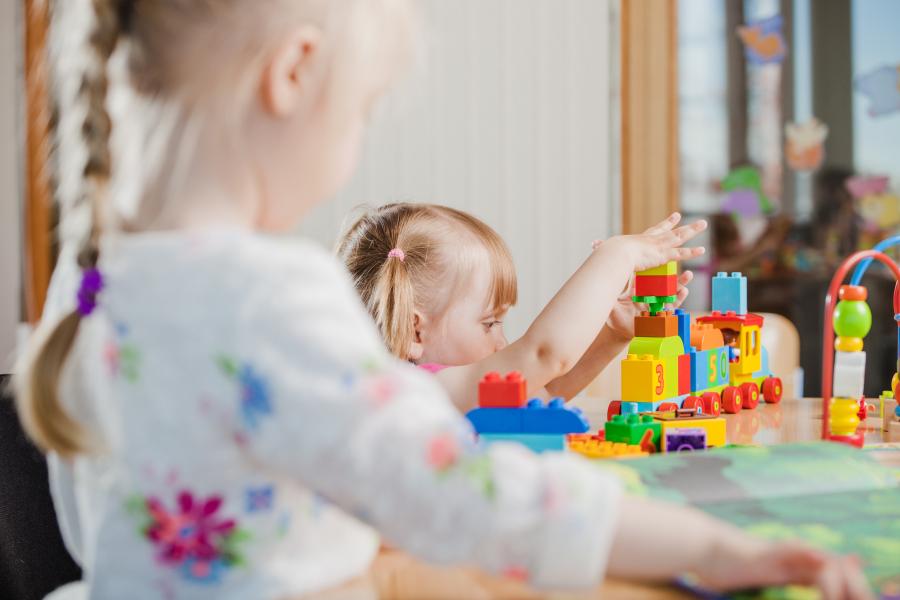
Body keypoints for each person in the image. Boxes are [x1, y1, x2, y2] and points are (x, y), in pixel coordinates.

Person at [15, 1, 871, 598]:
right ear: (295, 73)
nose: (351, 150)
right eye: (363, 111)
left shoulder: (87, 280)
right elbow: (467, 495)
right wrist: (717, 548)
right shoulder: (267, 296)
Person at [338, 202, 698, 410]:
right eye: (489, 323)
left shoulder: (458, 395)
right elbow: (544, 355)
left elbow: (545, 390)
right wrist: (617, 255)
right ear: (415, 329)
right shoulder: (420, 392)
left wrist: (614, 335)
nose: (501, 342)